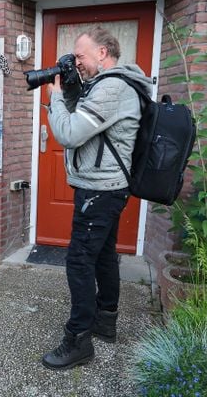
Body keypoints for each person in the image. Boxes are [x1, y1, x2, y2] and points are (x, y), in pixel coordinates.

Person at [41, 27, 152, 370]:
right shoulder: (107, 86)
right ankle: (105, 321)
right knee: (103, 255)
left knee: (78, 261)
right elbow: (85, 122)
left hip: (100, 191)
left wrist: (56, 97)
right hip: (105, 188)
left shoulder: (113, 87)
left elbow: (70, 133)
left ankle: (78, 341)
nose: (77, 62)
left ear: (103, 53)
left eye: (80, 56)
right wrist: (73, 90)